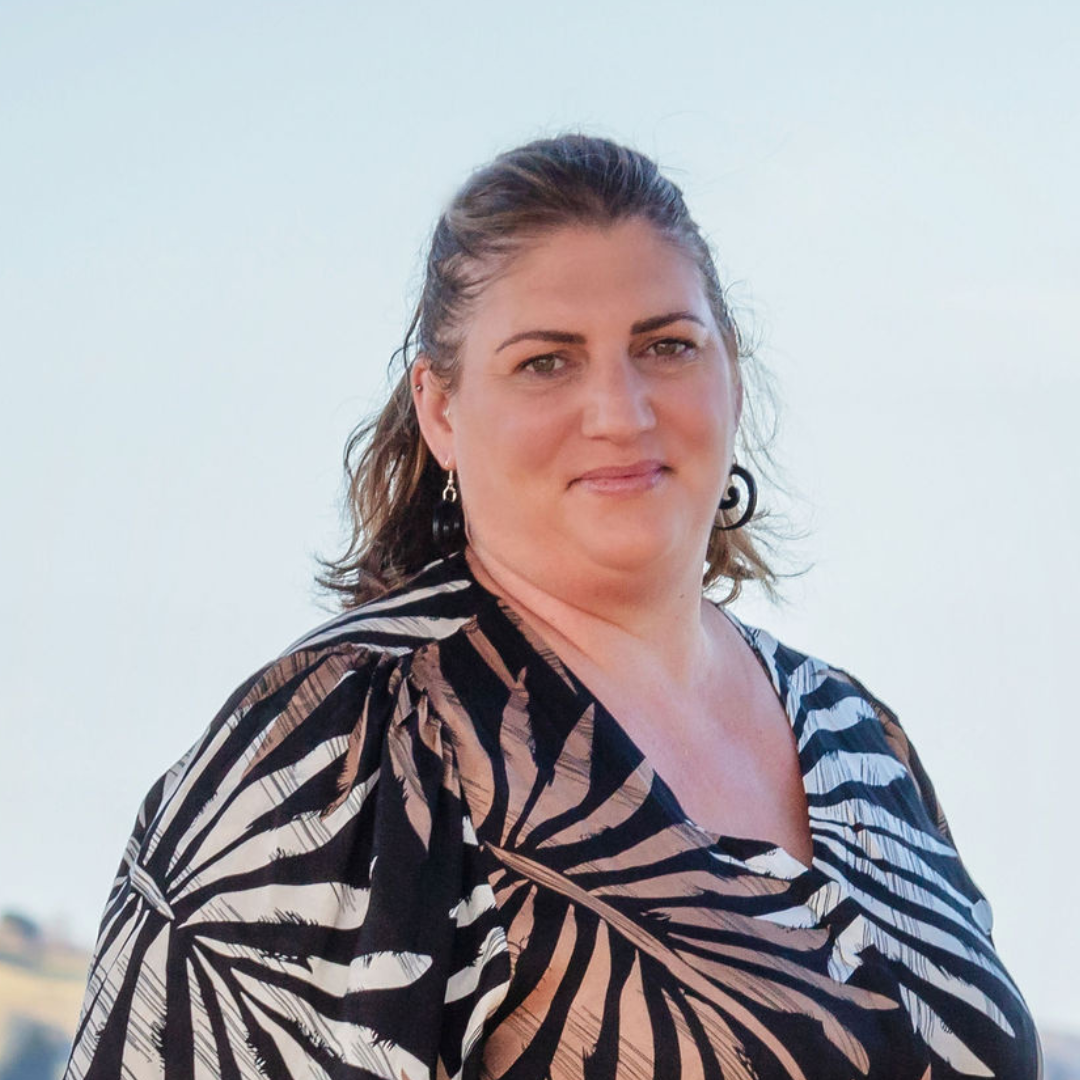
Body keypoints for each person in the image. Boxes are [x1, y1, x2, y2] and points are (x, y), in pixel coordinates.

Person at [64, 135, 1041, 1080]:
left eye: (665, 346)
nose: (620, 409)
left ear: (731, 374)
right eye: (547, 361)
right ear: (441, 411)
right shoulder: (347, 750)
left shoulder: (857, 735)